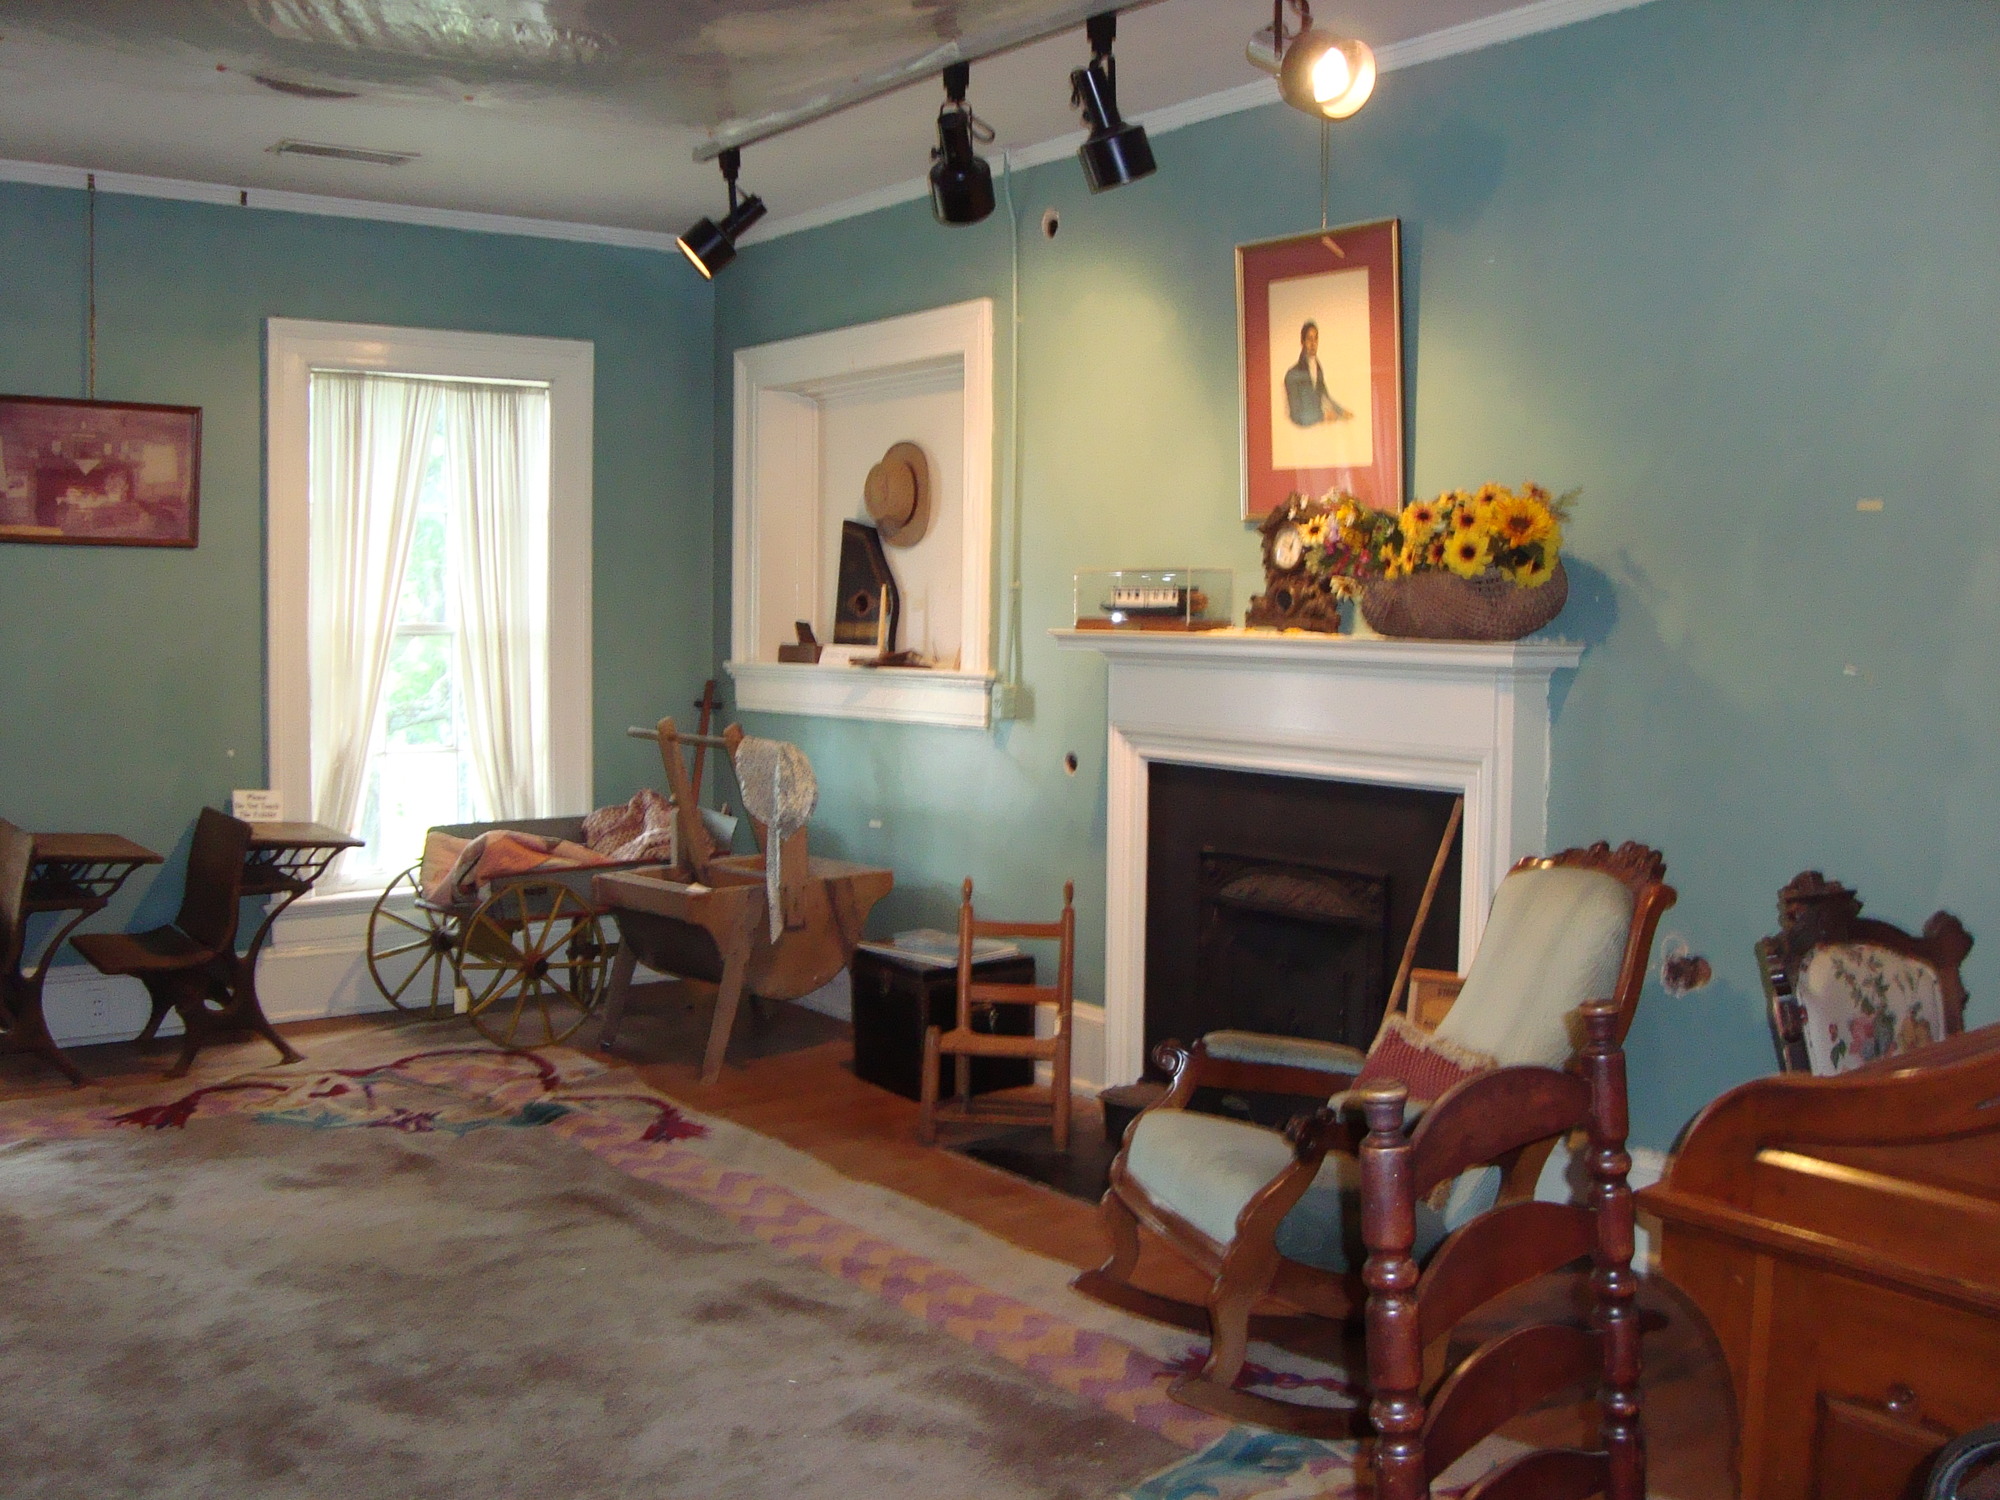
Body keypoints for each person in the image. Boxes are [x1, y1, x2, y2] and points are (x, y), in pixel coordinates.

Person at [1283, 320, 1351, 427]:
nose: (1313, 343)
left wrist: (1341, 412)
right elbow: (1296, 415)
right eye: (1309, 339)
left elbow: (1325, 396)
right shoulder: (1292, 375)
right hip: (1301, 432)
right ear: (1303, 342)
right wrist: (1322, 416)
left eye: (1315, 339)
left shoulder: (1318, 369)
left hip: (1319, 429)